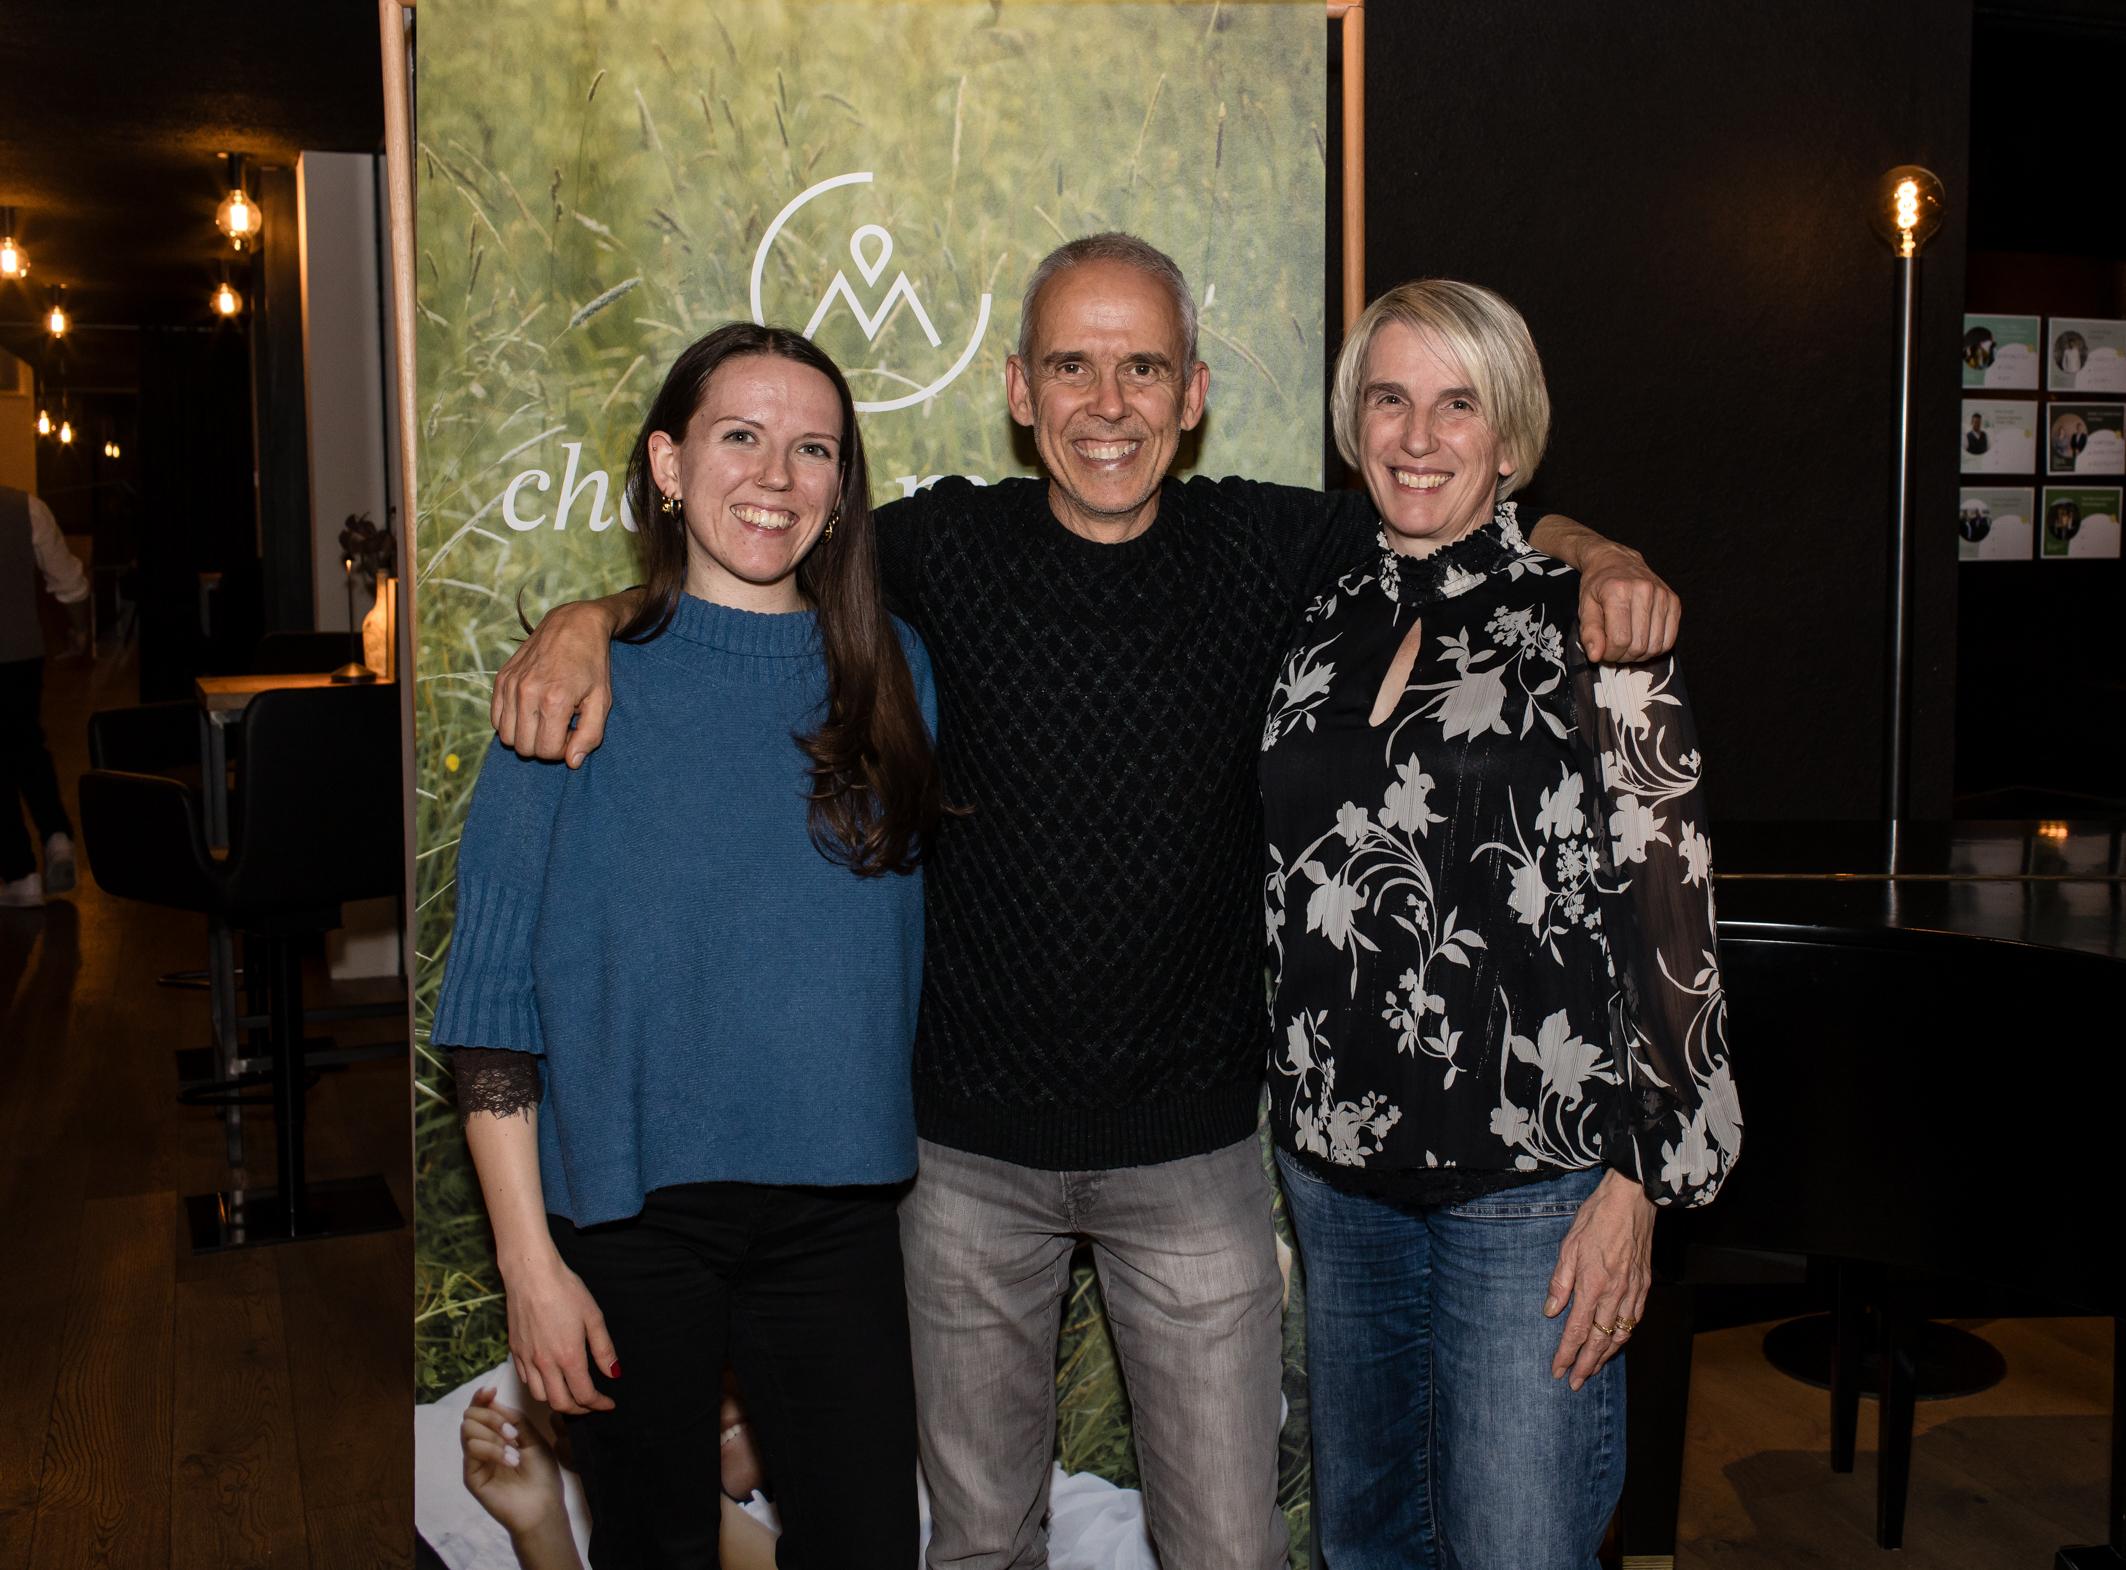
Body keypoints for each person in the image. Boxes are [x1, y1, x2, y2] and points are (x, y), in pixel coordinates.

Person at [486, 235, 1681, 1570]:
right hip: (962, 1162)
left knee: (1227, 1547)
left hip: (1193, 1155)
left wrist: (1600, 553)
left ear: (1193, 394)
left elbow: (1470, 516)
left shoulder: (1272, 544)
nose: (1106, 403)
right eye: (1070, 366)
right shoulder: (934, 550)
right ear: (1017, 389)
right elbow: (755, 542)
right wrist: (588, 617)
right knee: (979, 1544)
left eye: (1142, 369)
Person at [432, 322, 943, 1568]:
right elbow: (490, 1008)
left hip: (836, 1214)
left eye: (812, 448)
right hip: (626, 1224)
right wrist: (528, 1266)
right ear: (667, 464)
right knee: (653, 1548)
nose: (776, 475)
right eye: (740, 437)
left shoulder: (893, 672)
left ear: (841, 485)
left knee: (871, 1547)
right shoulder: (566, 680)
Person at [1260, 279, 1739, 1570]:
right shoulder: (1308, 612)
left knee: (1516, 1545)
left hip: (1534, 1185)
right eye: (1389, 399)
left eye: (1457, 404)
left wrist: (1638, 1186)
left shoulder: (1591, 623)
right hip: (1336, 1175)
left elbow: (1673, 917)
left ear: (1511, 436)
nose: (1418, 435)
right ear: (1352, 422)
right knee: (1365, 1544)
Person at [0, 482, 90, 909]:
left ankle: (20, 874)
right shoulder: (25, 508)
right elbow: (70, 583)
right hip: (21, 653)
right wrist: (80, 630)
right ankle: (56, 836)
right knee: (27, 744)